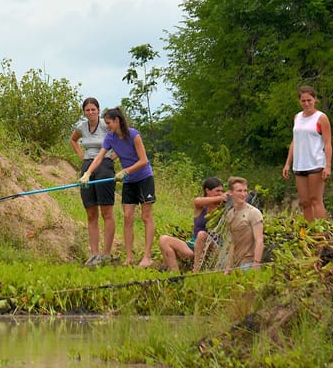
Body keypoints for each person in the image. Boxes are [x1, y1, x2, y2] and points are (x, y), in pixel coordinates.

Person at [80, 107, 156, 268]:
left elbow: (143, 160)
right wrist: (87, 173)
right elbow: (99, 157)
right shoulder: (110, 138)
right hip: (129, 181)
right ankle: (129, 258)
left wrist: (126, 170)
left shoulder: (134, 135)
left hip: (143, 178)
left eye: (108, 122)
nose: (106, 126)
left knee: (145, 216)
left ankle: (147, 256)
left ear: (117, 121)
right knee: (128, 217)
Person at [70, 97, 115, 266]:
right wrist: (82, 156)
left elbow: (120, 138)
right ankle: (95, 254)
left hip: (104, 165)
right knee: (91, 212)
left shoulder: (105, 124)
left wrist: (113, 157)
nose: (90, 112)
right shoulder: (82, 126)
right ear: (84, 112)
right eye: (87, 110)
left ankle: (106, 254)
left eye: (93, 109)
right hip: (88, 166)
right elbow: (73, 139)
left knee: (106, 212)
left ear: (98, 110)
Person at [283, 86, 332, 221]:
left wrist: (328, 165)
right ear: (299, 101)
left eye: (309, 100)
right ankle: (310, 231)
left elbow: (327, 143)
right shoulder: (297, 117)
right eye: (303, 101)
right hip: (299, 164)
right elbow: (295, 141)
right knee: (305, 202)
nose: (306, 103)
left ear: (315, 99)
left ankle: (322, 232)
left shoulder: (321, 118)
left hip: (316, 163)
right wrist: (288, 163)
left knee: (315, 199)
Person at [157, 176, 226, 272]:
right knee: (163, 239)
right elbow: (197, 201)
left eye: (222, 191)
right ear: (207, 191)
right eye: (217, 191)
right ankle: (174, 274)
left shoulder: (223, 207)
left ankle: (195, 271)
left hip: (214, 246)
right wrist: (220, 198)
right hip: (194, 245)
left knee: (202, 235)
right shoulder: (201, 205)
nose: (220, 194)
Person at [222, 177, 264, 273]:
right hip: (236, 265)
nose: (243, 194)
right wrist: (228, 266)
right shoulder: (230, 214)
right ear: (231, 193)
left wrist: (256, 264)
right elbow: (233, 242)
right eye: (239, 191)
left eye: (245, 191)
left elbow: (260, 240)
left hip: (249, 264)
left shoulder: (253, 213)